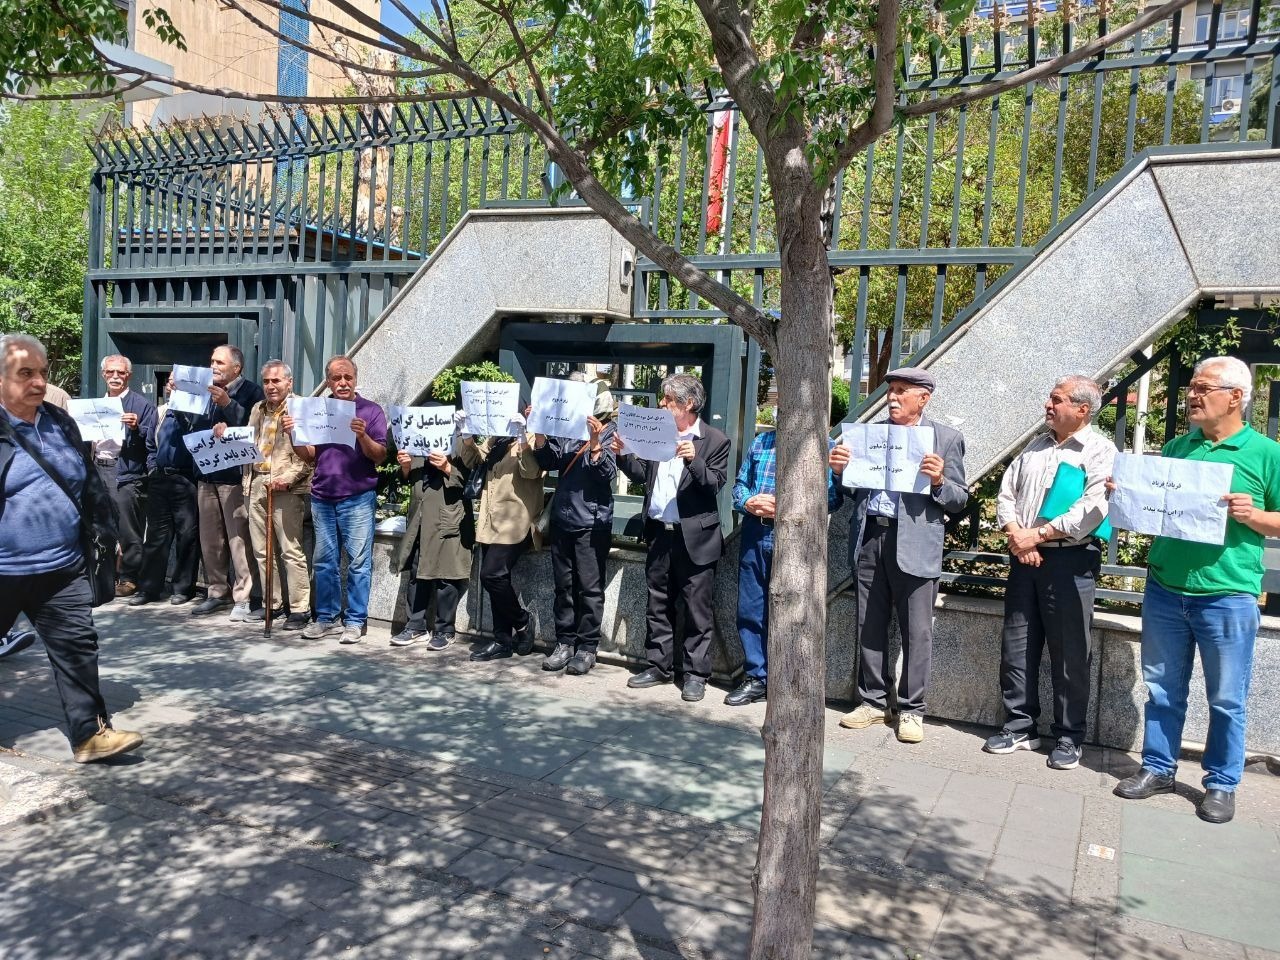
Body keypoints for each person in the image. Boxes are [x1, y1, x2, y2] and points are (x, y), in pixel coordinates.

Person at [1112, 356, 1280, 825]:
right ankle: (1158, 768)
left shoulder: (1266, 454)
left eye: (1203, 388)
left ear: (1236, 397)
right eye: (1191, 387)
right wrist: (1127, 492)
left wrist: (1253, 515)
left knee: (1226, 698)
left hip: (1227, 594)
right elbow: (1160, 506)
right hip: (1166, 587)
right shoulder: (1178, 446)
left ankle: (1222, 783)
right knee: (1162, 689)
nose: (1192, 395)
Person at [0, 333, 142, 762]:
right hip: (4, 571)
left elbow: (89, 483)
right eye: (26, 373)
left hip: (62, 569)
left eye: (42, 372)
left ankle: (89, 735)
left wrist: (107, 536)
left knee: (78, 647)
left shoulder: (60, 421)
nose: (39, 382)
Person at [830, 366, 968, 744]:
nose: (892, 397)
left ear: (923, 398)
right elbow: (852, 489)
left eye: (902, 390)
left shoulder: (946, 438)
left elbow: (959, 499)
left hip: (916, 543)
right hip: (870, 536)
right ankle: (874, 702)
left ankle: (912, 709)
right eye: (890, 390)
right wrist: (840, 472)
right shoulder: (870, 435)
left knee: (917, 631)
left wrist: (939, 480)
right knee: (868, 623)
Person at [987, 376, 1115, 769]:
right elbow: (1006, 493)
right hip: (1024, 556)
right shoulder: (1035, 445)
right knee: (1017, 644)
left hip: (1069, 560)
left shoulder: (1100, 450)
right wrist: (1018, 535)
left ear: (1082, 409)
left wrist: (1038, 535)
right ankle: (1019, 726)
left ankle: (1069, 736)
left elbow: (1094, 507)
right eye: (1050, 398)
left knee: (1070, 651)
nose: (1048, 404)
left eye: (1057, 399)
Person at [614, 373, 730, 703]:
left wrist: (694, 460)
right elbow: (642, 475)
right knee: (658, 604)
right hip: (659, 534)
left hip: (695, 538)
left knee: (697, 610)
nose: (662, 404)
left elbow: (714, 484)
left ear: (688, 404)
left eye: (668, 400)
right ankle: (659, 666)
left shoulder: (714, 439)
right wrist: (623, 455)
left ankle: (695, 675)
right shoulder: (658, 433)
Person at [727, 427, 842, 706]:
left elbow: (833, 498)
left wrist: (793, 507)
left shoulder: (824, 445)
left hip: (798, 536)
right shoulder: (762, 441)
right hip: (756, 531)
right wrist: (748, 501)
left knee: (796, 610)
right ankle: (757, 677)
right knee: (750, 609)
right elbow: (739, 486)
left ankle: (792, 680)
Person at [288, 356, 388, 644]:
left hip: (357, 497)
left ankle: (355, 621)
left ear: (355, 379)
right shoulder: (318, 410)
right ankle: (326, 618)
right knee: (324, 562)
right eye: (336, 378)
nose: (342, 383)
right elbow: (309, 456)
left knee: (359, 562)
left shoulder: (370, 410)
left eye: (347, 377)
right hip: (322, 496)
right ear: (328, 382)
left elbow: (380, 456)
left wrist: (362, 436)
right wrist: (294, 434)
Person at [532, 379, 617, 676]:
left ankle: (587, 647)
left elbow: (606, 473)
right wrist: (540, 432)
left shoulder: (610, 430)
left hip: (592, 522)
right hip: (563, 518)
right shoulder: (568, 425)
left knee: (590, 589)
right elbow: (550, 460)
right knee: (563, 586)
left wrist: (595, 443)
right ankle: (564, 642)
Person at [460, 415, 545, 661]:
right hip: (491, 518)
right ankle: (502, 640)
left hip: (516, 520)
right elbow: (474, 461)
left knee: (492, 574)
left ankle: (522, 621)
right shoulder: (497, 438)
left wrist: (522, 438)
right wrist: (466, 435)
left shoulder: (534, 437)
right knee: (497, 578)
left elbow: (532, 471)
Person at [189, 345, 264, 621]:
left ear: (236, 367)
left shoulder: (252, 392)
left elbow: (252, 428)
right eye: (211, 361)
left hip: (233, 478)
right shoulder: (203, 391)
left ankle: (244, 596)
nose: (213, 366)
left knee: (238, 539)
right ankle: (217, 591)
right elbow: (191, 426)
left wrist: (227, 405)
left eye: (219, 362)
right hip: (206, 475)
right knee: (210, 540)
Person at [237, 361, 312, 630]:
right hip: (256, 482)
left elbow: (309, 456)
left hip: (286, 488)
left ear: (289, 382)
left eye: (276, 381)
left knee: (290, 550)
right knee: (262, 550)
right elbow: (247, 445)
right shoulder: (257, 408)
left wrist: (287, 480)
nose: (271, 386)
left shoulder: (301, 408)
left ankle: (300, 608)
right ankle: (273, 603)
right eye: (267, 381)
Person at [389, 439, 473, 650]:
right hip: (420, 517)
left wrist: (447, 468)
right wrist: (405, 467)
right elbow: (408, 480)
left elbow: (471, 482)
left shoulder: (462, 442)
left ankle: (445, 630)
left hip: (449, 516)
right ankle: (415, 626)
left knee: (446, 573)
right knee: (417, 570)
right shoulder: (417, 441)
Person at [130, 374, 200, 606]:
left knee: (187, 536)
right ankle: (149, 588)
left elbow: (195, 436)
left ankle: (183, 588)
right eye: (170, 381)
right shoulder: (160, 411)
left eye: (177, 381)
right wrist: (152, 468)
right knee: (156, 536)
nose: (172, 384)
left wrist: (182, 407)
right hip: (160, 478)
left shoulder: (197, 411)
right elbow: (151, 444)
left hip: (186, 479)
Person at [93, 355, 157, 599]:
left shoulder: (141, 405)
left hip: (126, 473)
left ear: (129, 375)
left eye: (120, 372)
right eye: (110, 372)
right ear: (103, 375)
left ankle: (129, 577)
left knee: (128, 529)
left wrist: (136, 428)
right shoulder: (95, 404)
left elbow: (152, 443)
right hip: (97, 468)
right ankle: (105, 576)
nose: (115, 377)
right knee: (100, 526)